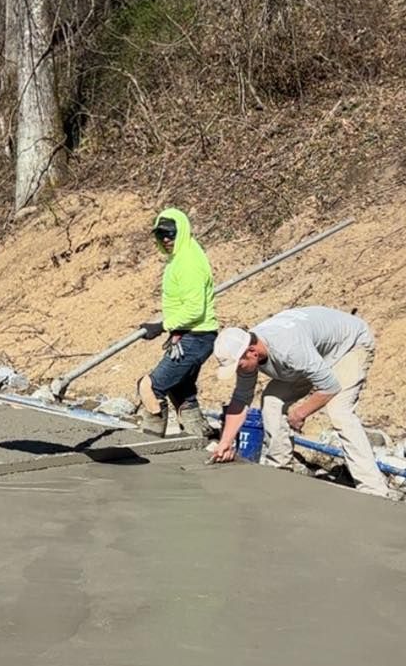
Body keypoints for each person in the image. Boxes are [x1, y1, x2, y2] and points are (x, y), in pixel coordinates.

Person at [210, 309, 388, 498]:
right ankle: (279, 469)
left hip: (349, 346)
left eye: (239, 366)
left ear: (252, 352)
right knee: (272, 400)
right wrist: (226, 442)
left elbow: (329, 386)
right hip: (314, 355)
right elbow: (240, 399)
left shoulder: (289, 349)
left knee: (339, 411)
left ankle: (373, 489)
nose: (240, 371)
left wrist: (300, 413)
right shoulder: (250, 349)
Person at [135, 208, 219, 440]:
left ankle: (148, 444)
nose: (166, 239)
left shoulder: (189, 262)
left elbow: (194, 309)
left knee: (151, 387)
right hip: (191, 334)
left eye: (170, 234)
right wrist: (175, 330)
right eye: (160, 235)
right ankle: (200, 440)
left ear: (181, 231)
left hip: (197, 336)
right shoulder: (182, 256)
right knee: (181, 391)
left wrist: (161, 326)